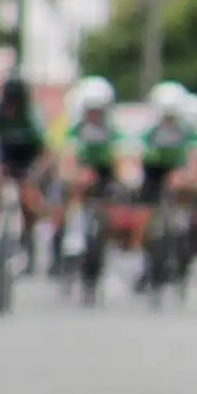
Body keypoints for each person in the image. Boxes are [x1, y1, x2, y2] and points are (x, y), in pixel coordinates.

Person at [0, 75, 51, 272]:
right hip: (5, 162)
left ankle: (29, 246)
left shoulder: (33, 118)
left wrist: (35, 174)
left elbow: (45, 151)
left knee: (28, 202)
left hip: (28, 163)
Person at [131, 81, 197, 290]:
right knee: (148, 217)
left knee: (182, 201)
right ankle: (146, 260)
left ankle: (180, 239)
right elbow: (136, 154)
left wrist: (188, 176)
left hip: (178, 172)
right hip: (153, 173)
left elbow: (195, 156)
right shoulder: (150, 131)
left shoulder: (187, 132)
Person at [56, 77, 123, 264]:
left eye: (99, 110)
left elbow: (123, 156)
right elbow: (67, 156)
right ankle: (75, 232)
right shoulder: (75, 131)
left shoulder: (113, 131)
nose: (95, 115)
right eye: (91, 110)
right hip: (81, 175)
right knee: (77, 185)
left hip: (106, 175)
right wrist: (74, 175)